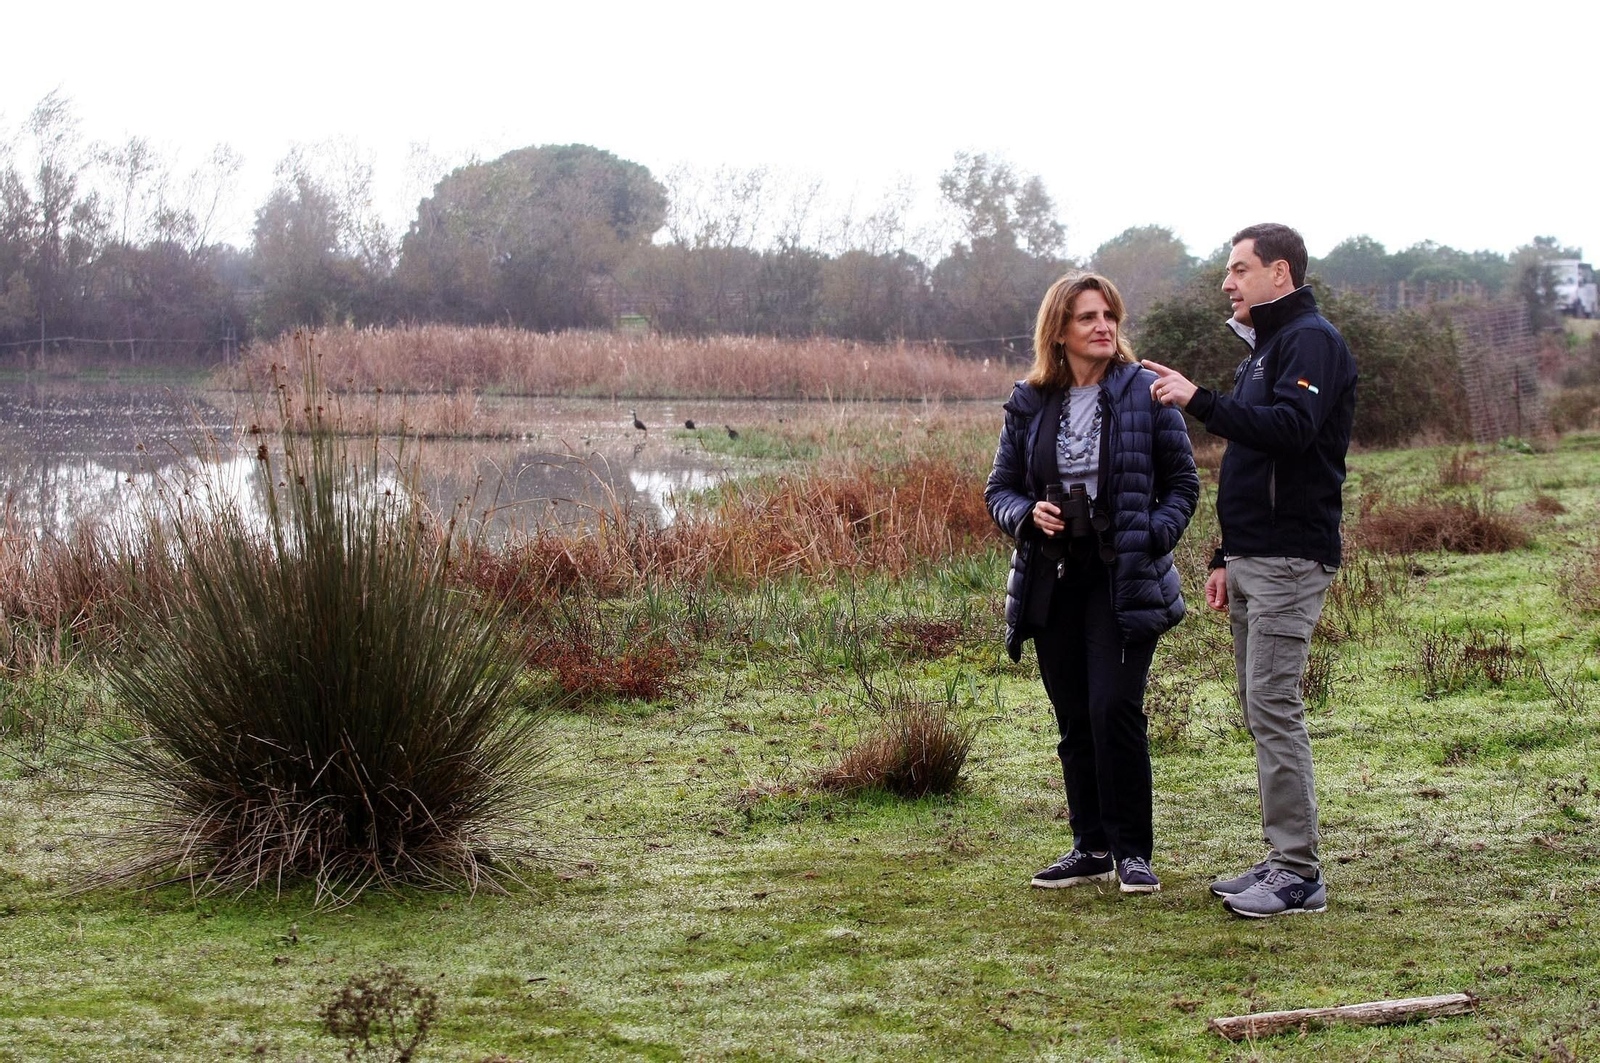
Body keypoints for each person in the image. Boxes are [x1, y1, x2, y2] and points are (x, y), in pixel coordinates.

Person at [1143, 223, 1358, 918]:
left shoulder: (1310, 341)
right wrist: (1222, 555)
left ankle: (1299, 874)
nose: (1227, 283)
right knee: (1258, 705)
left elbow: (1293, 431)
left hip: (1292, 557)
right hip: (1255, 557)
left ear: (1281, 274)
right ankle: (1282, 857)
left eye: (1239, 269)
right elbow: (1249, 462)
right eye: (1226, 272)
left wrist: (1199, 399)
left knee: (1273, 704)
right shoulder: (1265, 349)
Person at [986, 272, 1199, 895]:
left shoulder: (1145, 393)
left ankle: (1133, 851)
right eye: (1087, 317)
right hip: (1052, 576)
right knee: (1075, 716)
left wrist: (1151, 535)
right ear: (1059, 331)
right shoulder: (1029, 400)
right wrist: (1027, 514)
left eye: (1109, 315)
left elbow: (1183, 485)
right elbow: (999, 489)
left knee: (1114, 708)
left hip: (1123, 575)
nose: (1103, 326)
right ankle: (1091, 847)